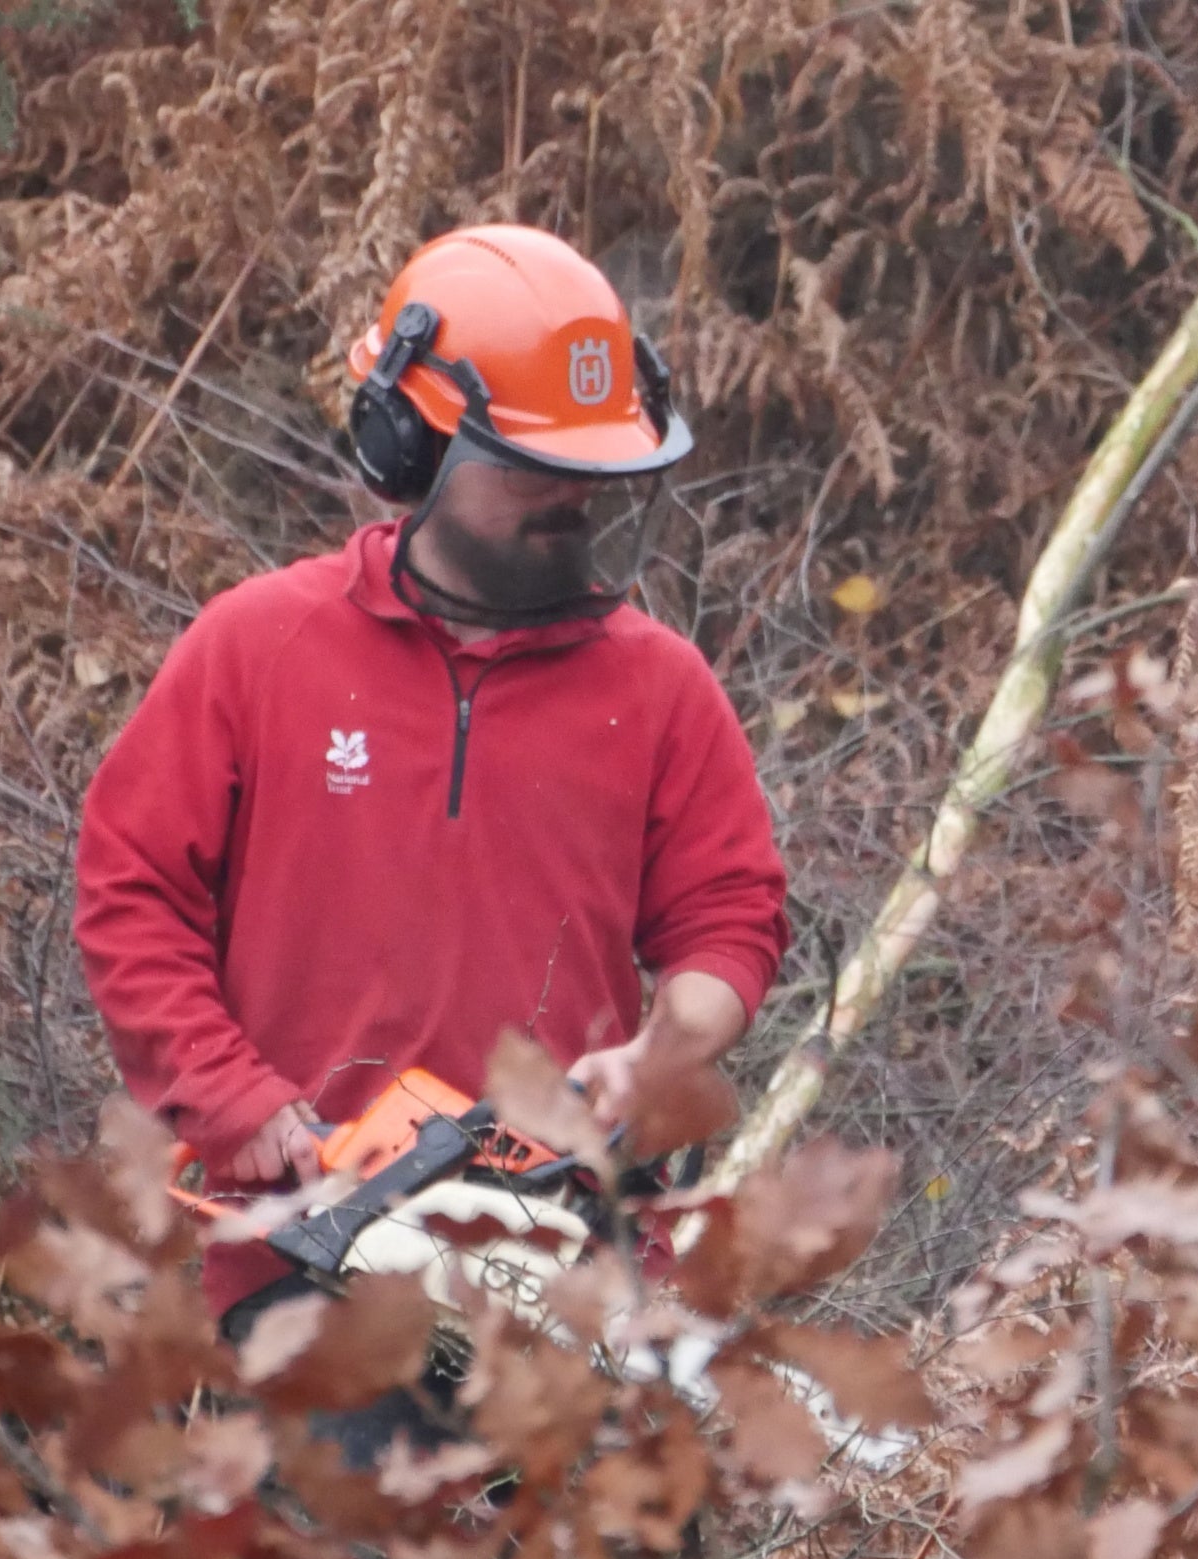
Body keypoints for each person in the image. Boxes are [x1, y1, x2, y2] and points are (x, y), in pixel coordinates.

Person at [71, 224, 791, 1460]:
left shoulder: (659, 690)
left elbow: (732, 918)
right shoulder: (261, 648)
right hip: (312, 1259)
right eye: (532, 466)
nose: (573, 499)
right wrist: (241, 1103)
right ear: (411, 442)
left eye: (592, 469)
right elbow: (130, 891)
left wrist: (664, 1047)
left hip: (564, 1265)